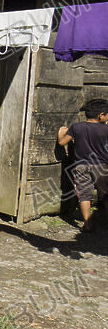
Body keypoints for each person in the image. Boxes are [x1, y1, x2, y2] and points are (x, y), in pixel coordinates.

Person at [58, 99, 108, 232]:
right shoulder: (106, 129)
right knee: (105, 195)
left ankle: (87, 223)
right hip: (102, 167)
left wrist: (60, 135)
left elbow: (63, 142)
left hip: (81, 166)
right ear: (101, 115)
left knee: (85, 195)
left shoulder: (76, 127)